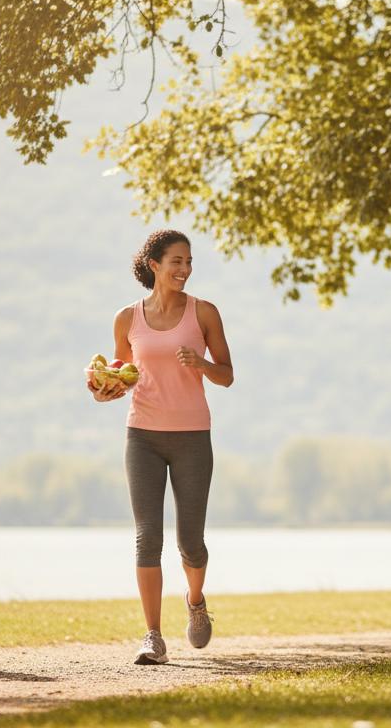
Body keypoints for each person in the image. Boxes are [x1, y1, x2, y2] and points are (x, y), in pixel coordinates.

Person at [88, 229, 234, 665]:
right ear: (154, 264)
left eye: (189, 261)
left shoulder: (204, 313)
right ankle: (152, 635)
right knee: (147, 538)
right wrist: (103, 389)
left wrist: (201, 363)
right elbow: (121, 373)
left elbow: (226, 374)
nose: (184, 270)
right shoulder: (126, 318)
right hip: (143, 436)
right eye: (176, 261)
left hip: (192, 436)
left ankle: (195, 599)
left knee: (191, 542)